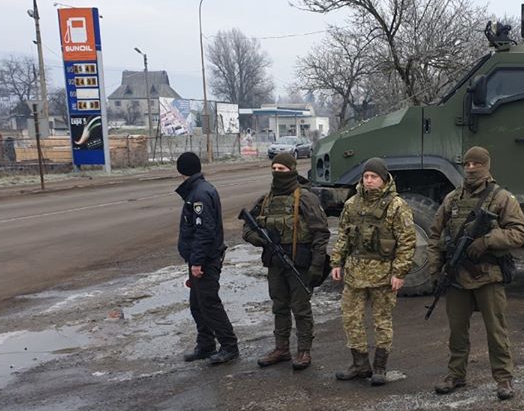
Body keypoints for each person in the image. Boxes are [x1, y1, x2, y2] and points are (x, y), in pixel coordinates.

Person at [427, 146, 524, 400]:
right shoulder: (451, 199)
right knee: (457, 331)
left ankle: (504, 379)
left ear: (487, 166)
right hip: (457, 276)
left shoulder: (501, 198)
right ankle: (456, 375)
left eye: (477, 164)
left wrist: (487, 241)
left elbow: (519, 232)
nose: (471, 168)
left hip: (489, 274)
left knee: (496, 331)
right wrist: (435, 270)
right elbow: (435, 236)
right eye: (467, 164)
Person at [331, 158, 416, 386]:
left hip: (383, 274)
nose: (369, 181)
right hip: (355, 274)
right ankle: (360, 365)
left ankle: (380, 367)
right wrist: (336, 262)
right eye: (366, 176)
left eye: (373, 177)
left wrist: (399, 272)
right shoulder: (351, 205)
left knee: (382, 321)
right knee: (351, 319)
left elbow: (407, 242)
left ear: (384, 179)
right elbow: (343, 236)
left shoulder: (397, 206)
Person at [242, 152, 330, 370]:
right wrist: (260, 239)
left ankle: (303, 350)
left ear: (292, 170)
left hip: (299, 263)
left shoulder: (306, 197)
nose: (277, 172)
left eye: (282, 169)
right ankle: (281, 348)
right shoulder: (266, 200)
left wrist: (317, 265)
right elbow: (247, 228)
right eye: (275, 168)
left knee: (300, 308)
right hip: (275, 263)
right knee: (279, 306)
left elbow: (321, 232)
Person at [175, 151, 239, 365]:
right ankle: (206, 345)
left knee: (209, 304)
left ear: (181, 170)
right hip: (200, 258)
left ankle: (229, 346)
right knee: (197, 304)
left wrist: (197, 262)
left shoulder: (199, 194)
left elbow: (204, 231)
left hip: (205, 260)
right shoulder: (197, 190)